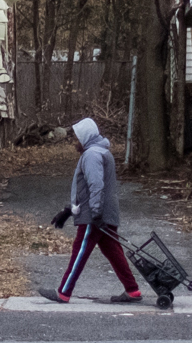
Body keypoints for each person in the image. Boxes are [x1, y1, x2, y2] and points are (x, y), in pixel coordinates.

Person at [48, 117, 141, 305]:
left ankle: (63, 293)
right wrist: (69, 211)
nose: (75, 142)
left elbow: (96, 186)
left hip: (95, 215)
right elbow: (88, 190)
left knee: (79, 251)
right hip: (104, 213)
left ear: (85, 138)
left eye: (76, 138)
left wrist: (96, 213)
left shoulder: (91, 155)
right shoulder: (100, 152)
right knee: (113, 251)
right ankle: (133, 291)